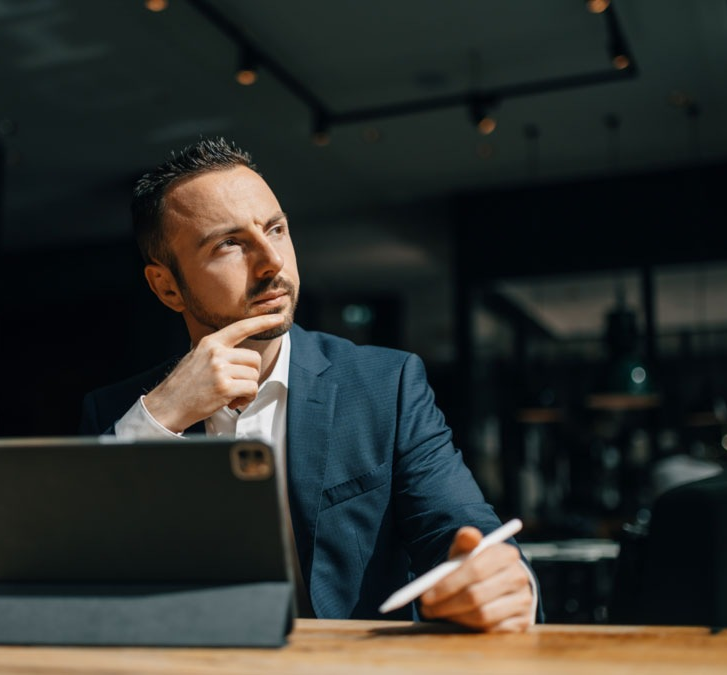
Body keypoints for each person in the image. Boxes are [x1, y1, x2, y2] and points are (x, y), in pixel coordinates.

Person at [79, 137, 539, 631]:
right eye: (229, 244)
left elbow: (461, 529)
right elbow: (71, 576)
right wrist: (160, 418)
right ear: (167, 286)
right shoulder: (120, 414)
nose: (271, 261)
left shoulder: (386, 385)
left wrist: (504, 585)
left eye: (275, 229)